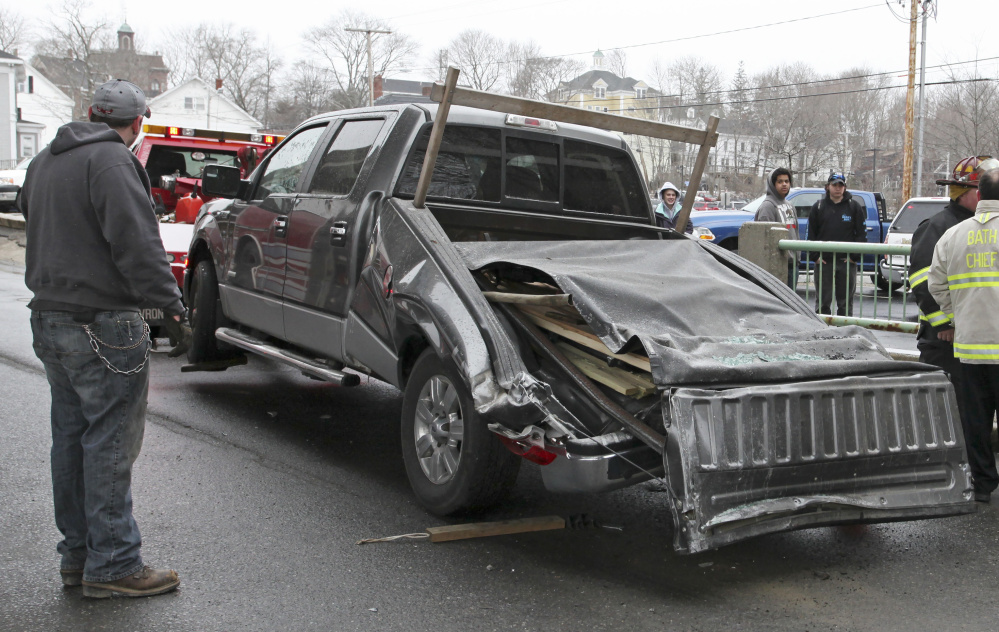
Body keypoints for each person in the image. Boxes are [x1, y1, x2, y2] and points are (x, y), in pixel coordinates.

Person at [19, 79, 188, 598]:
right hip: (103, 322)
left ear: (90, 113)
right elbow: (138, 244)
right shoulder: (114, 162)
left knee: (72, 440)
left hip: (51, 316)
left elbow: (32, 214)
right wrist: (174, 308)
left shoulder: (45, 159)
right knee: (110, 442)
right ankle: (114, 564)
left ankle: (79, 557)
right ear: (138, 121)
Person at [908, 156, 997, 451]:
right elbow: (923, 282)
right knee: (956, 414)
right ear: (971, 193)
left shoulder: (970, 226)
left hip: (972, 338)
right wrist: (944, 324)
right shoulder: (937, 227)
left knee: (973, 414)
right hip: (944, 341)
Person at [928, 165, 999, 504]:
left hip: (970, 346)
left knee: (976, 419)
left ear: (980, 195)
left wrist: (957, 316)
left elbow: (935, 283)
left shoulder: (953, 235)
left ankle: (983, 485)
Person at [806, 173, 867, 315]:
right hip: (824, 262)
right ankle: (822, 331)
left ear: (845, 188)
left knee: (845, 303)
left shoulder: (854, 207)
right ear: (827, 187)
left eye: (841, 185)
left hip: (846, 261)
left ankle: (845, 331)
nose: (838, 188)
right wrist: (815, 257)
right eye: (834, 185)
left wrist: (854, 257)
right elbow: (810, 235)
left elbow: (862, 234)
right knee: (823, 302)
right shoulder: (818, 207)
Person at [753, 167, 799, 287]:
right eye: (780, 181)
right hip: (777, 267)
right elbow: (765, 239)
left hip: (792, 264)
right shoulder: (768, 207)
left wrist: (796, 257)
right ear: (772, 184)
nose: (784, 184)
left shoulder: (789, 205)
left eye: (786, 181)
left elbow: (795, 232)